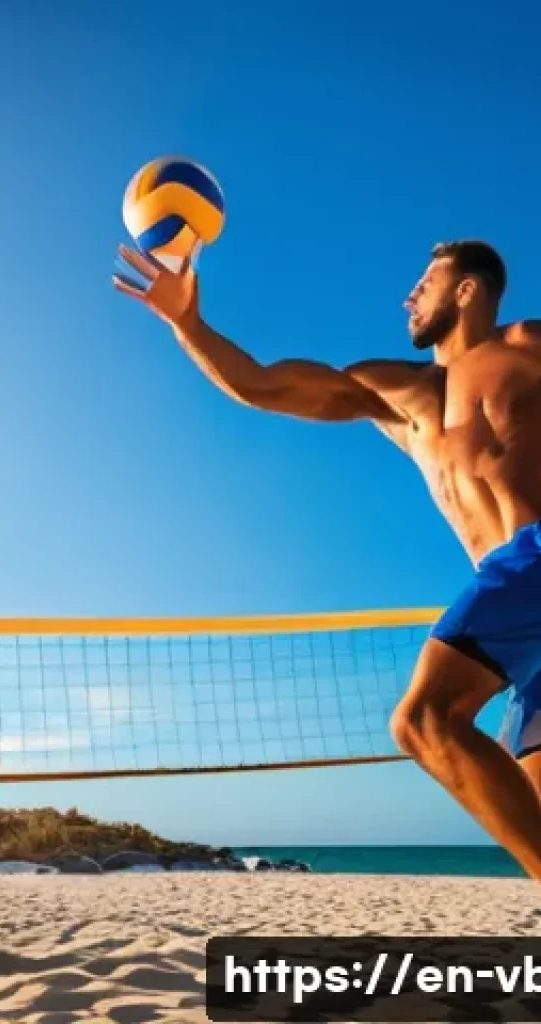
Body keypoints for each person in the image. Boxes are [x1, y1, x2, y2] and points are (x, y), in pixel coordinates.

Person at [114, 237, 541, 880]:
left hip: (532, 561)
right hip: (514, 604)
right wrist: (187, 323)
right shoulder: (393, 390)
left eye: (425, 282)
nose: (409, 296)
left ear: (467, 289)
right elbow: (263, 383)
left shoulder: (525, 345)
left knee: (426, 718)